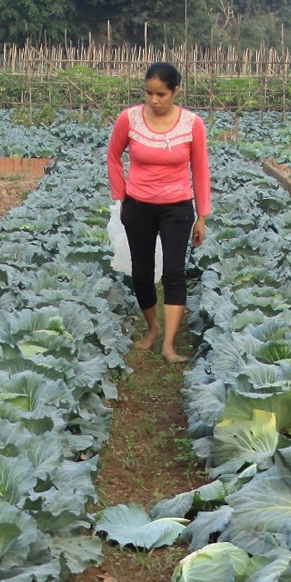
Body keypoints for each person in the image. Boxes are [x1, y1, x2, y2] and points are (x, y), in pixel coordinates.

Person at [106, 61, 211, 363]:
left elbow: (200, 169)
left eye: (161, 94)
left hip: (177, 207)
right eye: (149, 93)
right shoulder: (129, 119)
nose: (153, 100)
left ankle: (168, 344)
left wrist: (202, 215)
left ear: (176, 91)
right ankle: (151, 327)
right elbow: (113, 157)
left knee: (174, 273)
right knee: (142, 272)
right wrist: (121, 197)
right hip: (138, 206)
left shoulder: (192, 124)